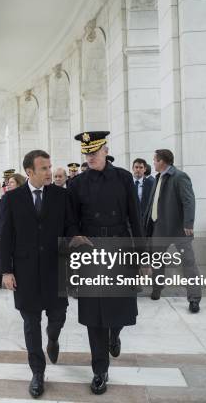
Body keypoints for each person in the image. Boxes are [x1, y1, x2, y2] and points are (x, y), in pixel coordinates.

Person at [67, 131, 143, 395]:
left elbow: (136, 217)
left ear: (105, 150)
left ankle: (115, 333)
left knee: (120, 306)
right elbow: (72, 221)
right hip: (91, 252)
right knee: (94, 316)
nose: (90, 157)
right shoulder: (76, 184)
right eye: (86, 153)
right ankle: (100, 370)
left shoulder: (123, 178)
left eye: (94, 152)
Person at [0, 150, 79, 398]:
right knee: (31, 324)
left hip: (56, 270)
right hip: (25, 273)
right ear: (29, 172)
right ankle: (37, 372)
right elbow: (6, 238)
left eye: (50, 167)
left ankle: (53, 339)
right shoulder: (11, 199)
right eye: (43, 168)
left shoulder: (61, 195)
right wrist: (6, 271)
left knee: (58, 317)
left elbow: (71, 227)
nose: (49, 172)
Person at [144, 149, 201, 312]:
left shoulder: (180, 176)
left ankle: (194, 298)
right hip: (159, 228)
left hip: (179, 230)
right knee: (157, 261)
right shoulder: (158, 177)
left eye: (154, 160)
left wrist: (188, 224)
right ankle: (157, 290)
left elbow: (189, 201)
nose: (153, 163)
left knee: (188, 263)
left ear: (162, 161)